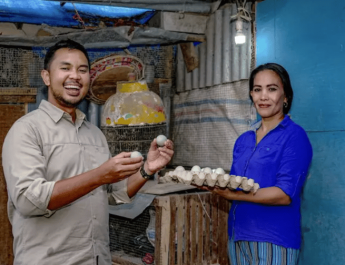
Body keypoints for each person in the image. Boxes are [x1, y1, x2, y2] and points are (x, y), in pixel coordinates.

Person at [2, 39, 174, 265]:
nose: (75, 76)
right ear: (46, 77)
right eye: (65, 68)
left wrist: (146, 170)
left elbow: (111, 195)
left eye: (82, 70)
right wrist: (99, 175)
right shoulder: (27, 130)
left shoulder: (94, 134)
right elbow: (28, 199)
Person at [197, 63, 312, 265]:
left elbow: (284, 195)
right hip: (238, 235)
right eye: (257, 89)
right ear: (251, 95)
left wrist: (230, 194)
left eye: (272, 89)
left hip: (274, 238)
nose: (263, 96)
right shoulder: (244, 139)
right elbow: (235, 183)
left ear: (285, 97)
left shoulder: (294, 136)